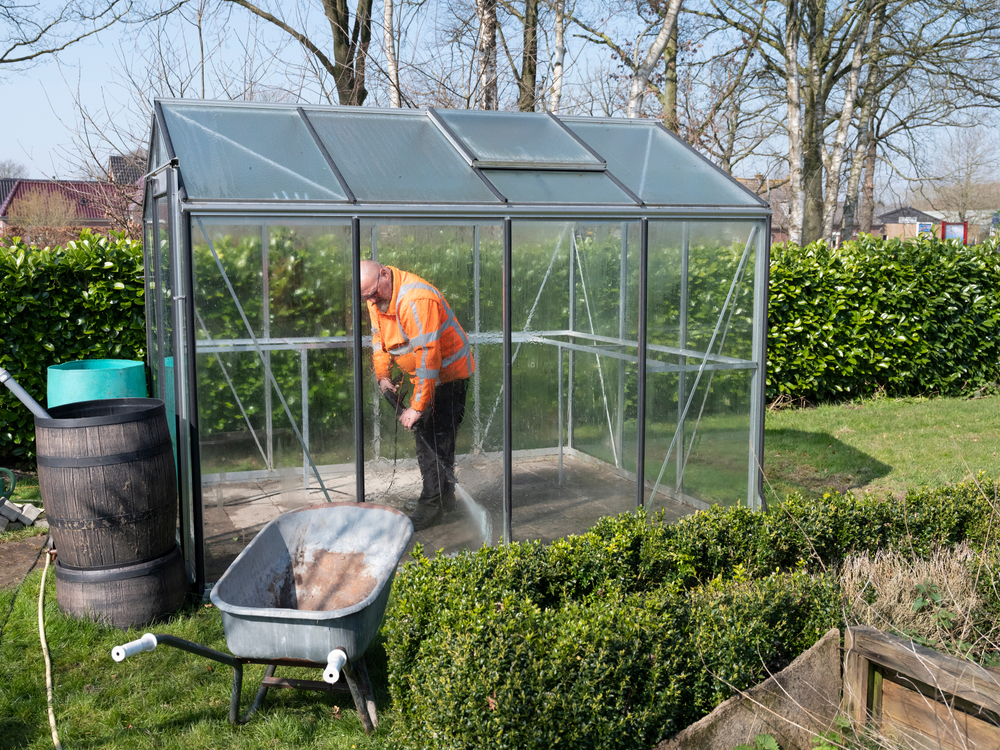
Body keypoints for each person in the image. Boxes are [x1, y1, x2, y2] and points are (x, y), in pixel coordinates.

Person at [359, 260, 474, 531]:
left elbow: (429, 359)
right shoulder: (376, 298)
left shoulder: (415, 299)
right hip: (425, 376)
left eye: (374, 294)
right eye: (367, 298)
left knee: (432, 441)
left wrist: (418, 407)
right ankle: (444, 499)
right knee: (435, 440)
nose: (373, 301)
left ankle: (432, 505)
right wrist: (383, 377)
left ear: (385, 274)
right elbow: (379, 340)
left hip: (448, 376)